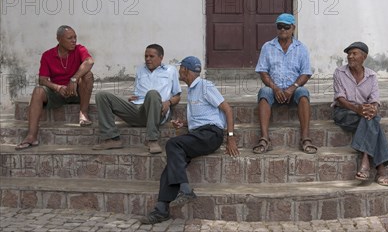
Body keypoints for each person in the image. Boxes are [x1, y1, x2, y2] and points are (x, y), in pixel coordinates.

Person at [140, 56, 239, 225]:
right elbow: (202, 117)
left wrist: (230, 138)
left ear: (185, 70)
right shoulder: (192, 90)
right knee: (171, 166)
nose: (179, 71)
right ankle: (161, 209)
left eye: (180, 69)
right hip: (199, 134)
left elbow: (227, 110)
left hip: (211, 134)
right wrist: (184, 123)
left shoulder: (205, 86)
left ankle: (185, 189)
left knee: (172, 143)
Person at [15, 25, 95, 150]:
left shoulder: (79, 49)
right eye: (70, 38)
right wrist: (57, 87)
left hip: (77, 92)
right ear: (59, 39)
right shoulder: (48, 55)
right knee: (37, 91)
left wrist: (74, 79)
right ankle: (31, 136)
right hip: (58, 93)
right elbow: (42, 79)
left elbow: (89, 62)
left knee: (88, 76)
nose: (74, 40)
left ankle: (83, 113)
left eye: (75, 37)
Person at [92, 44, 181, 154]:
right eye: (146, 56)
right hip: (137, 109)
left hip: (157, 110)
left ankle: (152, 140)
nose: (148, 59)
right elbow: (138, 92)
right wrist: (131, 98)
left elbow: (177, 95)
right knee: (101, 95)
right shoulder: (140, 70)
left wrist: (169, 102)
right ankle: (111, 139)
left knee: (152, 94)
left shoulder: (170, 70)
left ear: (161, 57)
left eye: (151, 56)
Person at [332, 42, 388, 186]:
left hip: (363, 113)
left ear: (364, 57)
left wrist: (372, 110)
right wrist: (357, 109)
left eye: (354, 53)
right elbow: (340, 99)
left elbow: (374, 99)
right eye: (349, 54)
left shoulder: (371, 75)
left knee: (371, 118)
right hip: (344, 112)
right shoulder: (339, 72)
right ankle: (380, 170)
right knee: (373, 121)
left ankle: (366, 160)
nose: (350, 57)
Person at [253, 13, 316, 154]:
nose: (282, 30)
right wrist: (275, 88)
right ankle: (264, 138)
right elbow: (263, 72)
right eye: (279, 26)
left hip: (293, 90)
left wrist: (292, 88)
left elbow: (305, 73)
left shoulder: (301, 48)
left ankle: (305, 138)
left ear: (293, 28)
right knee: (264, 92)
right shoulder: (267, 47)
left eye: (286, 27)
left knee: (304, 93)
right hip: (274, 89)